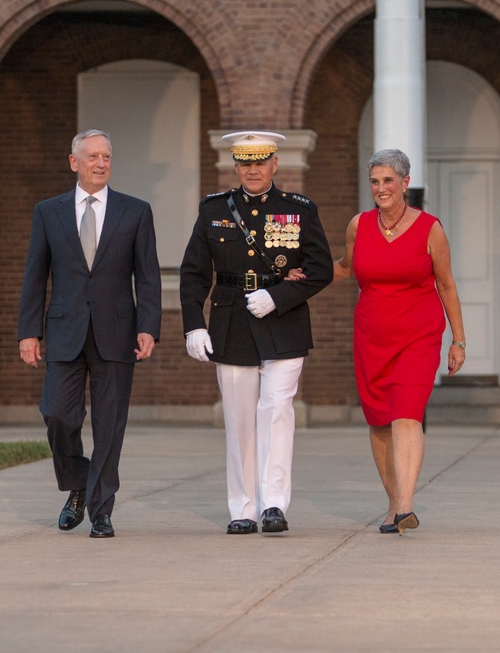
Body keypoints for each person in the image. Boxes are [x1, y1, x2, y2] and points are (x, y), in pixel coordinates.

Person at [180, 131, 333, 535]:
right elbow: (195, 273)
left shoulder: (299, 209)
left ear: (274, 164)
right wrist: (194, 323)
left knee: (277, 412)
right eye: (245, 162)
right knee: (240, 417)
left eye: (260, 161)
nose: (253, 169)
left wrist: (279, 295)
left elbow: (321, 269)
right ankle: (243, 508)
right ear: (236, 165)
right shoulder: (214, 209)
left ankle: (274, 505)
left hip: (283, 320)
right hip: (231, 320)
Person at [17, 129, 162, 539]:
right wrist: (29, 332)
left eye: (107, 157)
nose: (101, 163)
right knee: (58, 415)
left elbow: (148, 276)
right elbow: (35, 275)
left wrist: (148, 325)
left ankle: (101, 510)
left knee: (109, 425)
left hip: (117, 333)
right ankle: (79, 484)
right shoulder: (49, 212)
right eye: (93, 156)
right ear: (74, 162)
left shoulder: (135, 212)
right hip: (63, 331)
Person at [331, 148, 465, 535]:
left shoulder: (430, 229)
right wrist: (299, 273)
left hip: (418, 335)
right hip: (372, 335)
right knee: (379, 420)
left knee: (406, 413)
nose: (381, 188)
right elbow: (344, 268)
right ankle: (394, 506)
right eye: (375, 181)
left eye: (388, 180)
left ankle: (406, 505)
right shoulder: (359, 225)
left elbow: (447, 285)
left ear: (406, 183)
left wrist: (459, 340)